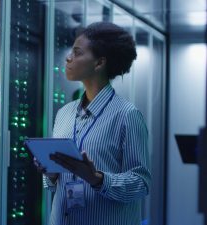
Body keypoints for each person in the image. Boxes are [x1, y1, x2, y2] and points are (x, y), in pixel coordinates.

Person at [36, 21, 151, 225]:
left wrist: (97, 179)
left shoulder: (127, 115)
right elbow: (55, 184)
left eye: (77, 52)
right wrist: (51, 173)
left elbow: (141, 184)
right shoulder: (64, 113)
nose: (68, 58)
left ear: (99, 63)